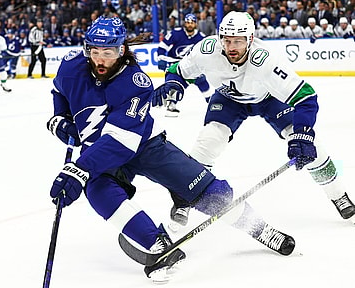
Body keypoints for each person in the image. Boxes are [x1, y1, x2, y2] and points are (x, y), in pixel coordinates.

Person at [46, 16, 296, 283]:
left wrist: (80, 169)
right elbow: (59, 92)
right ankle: (157, 244)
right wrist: (59, 118)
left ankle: (260, 229)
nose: (100, 59)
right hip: (99, 152)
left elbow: (121, 141)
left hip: (144, 146)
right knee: (97, 190)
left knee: (209, 192)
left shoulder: (135, 83)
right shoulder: (71, 67)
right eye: (94, 52)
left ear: (121, 50)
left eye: (108, 52)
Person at [151, 11, 355, 230]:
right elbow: (178, 71)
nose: (231, 47)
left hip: (268, 98)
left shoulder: (265, 60)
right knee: (209, 141)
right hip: (228, 100)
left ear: (250, 39)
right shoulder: (206, 50)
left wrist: (303, 133)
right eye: (227, 40)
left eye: (238, 41)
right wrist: (174, 84)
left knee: (314, 149)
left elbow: (306, 96)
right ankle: (184, 199)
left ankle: (338, 195)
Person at [157, 13, 206, 117]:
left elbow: (205, 55)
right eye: (188, 22)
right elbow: (162, 47)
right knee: (174, 83)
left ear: (196, 24)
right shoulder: (176, 33)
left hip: (191, 66)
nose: (189, 25)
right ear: (184, 23)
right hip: (175, 64)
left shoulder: (201, 38)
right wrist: (161, 58)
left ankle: (213, 104)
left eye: (192, 23)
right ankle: (171, 104)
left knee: (204, 85)